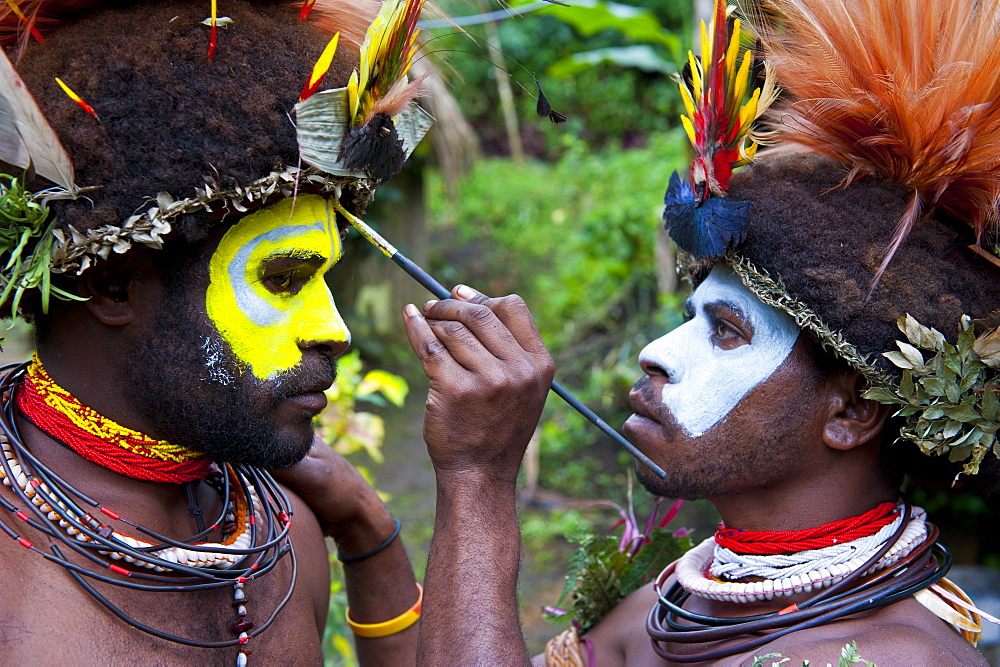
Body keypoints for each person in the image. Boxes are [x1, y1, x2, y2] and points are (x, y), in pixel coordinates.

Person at [407, 0, 1000, 664]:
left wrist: (479, 478)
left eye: (725, 330)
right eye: (691, 317)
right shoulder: (661, 608)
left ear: (852, 409)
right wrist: (370, 542)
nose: (654, 352)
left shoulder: (897, 659)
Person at [0, 0, 431, 663]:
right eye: (283, 278)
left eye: (323, 283)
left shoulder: (282, 534)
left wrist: (376, 533)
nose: (333, 329)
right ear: (112, 284)